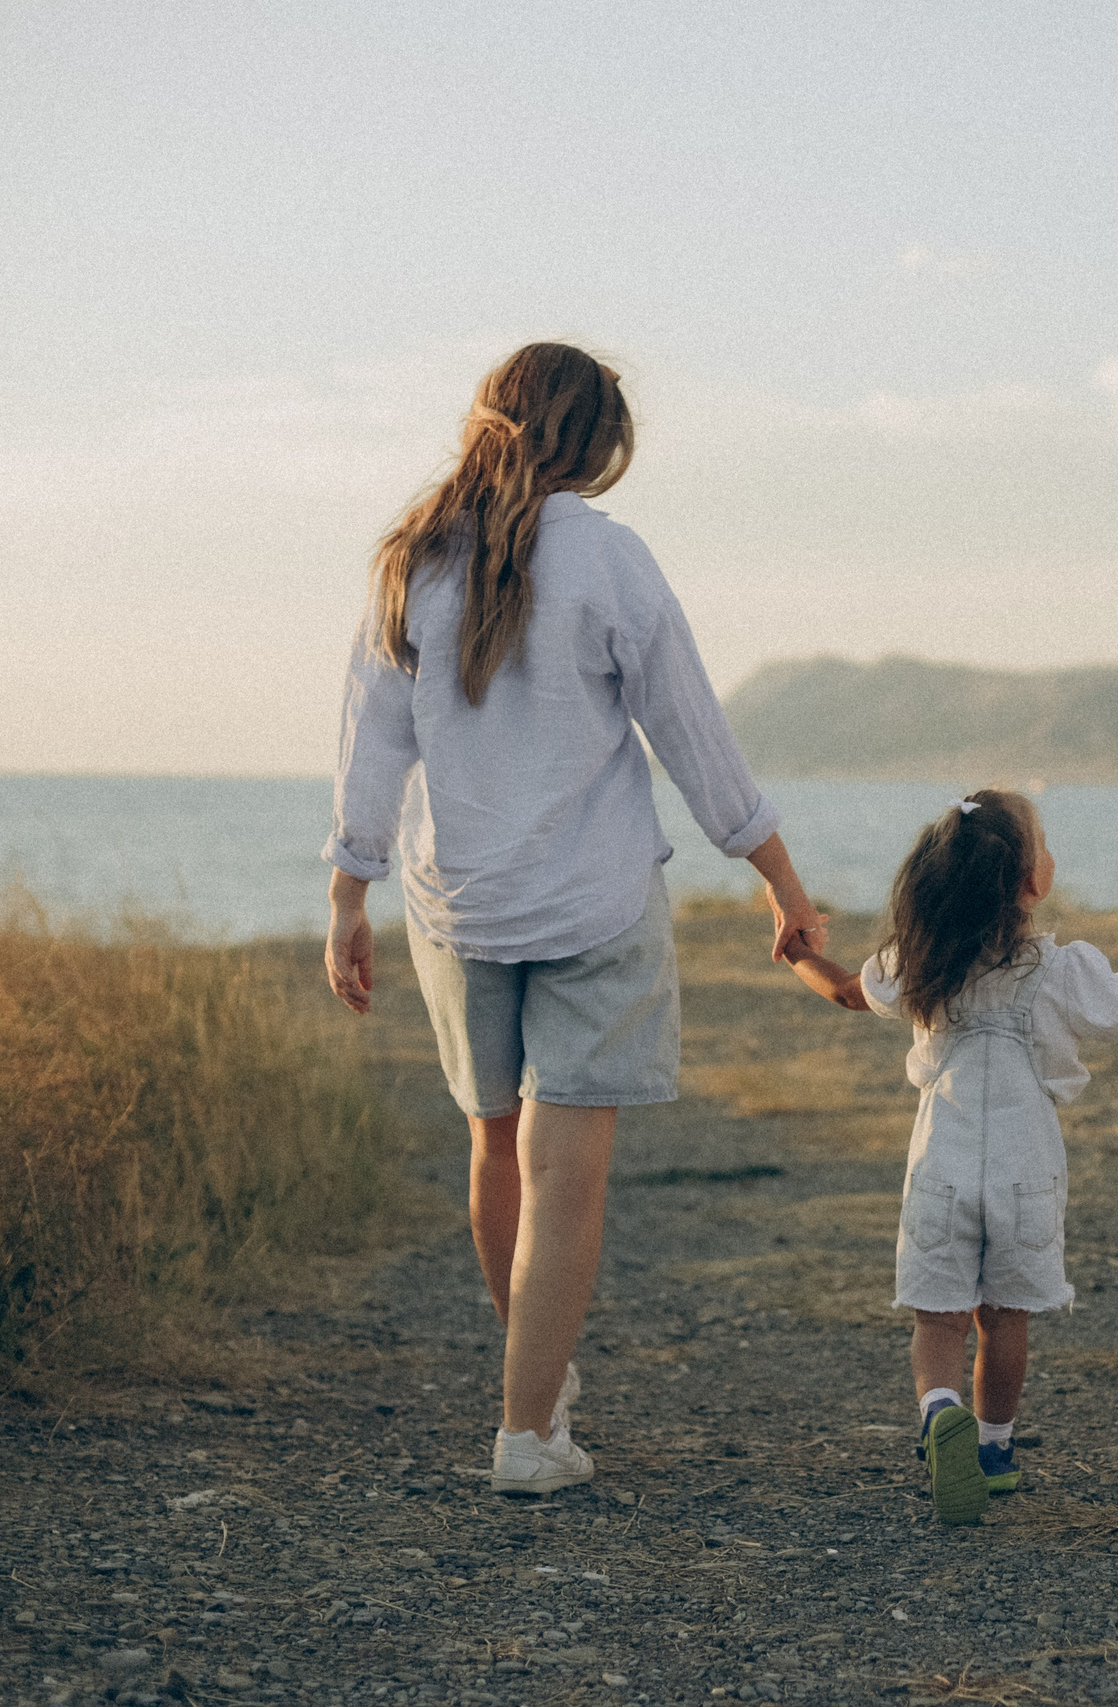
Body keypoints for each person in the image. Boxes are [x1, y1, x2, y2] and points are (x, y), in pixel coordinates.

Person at [322, 342, 825, 1496]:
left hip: (456, 908)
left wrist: (350, 891)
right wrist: (783, 887)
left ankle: (536, 1386)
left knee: (494, 1144)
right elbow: (695, 738)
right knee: (566, 1180)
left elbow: (369, 743)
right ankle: (526, 1430)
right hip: (594, 905)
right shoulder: (609, 560)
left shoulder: (409, 561)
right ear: (595, 446)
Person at [782, 790, 1118, 1523]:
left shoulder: (924, 958)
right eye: (1045, 843)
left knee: (938, 1322)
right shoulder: (1060, 971)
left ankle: (939, 1413)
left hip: (942, 1162)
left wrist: (800, 948)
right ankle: (993, 1449)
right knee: (1005, 1318)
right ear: (1031, 882)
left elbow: (843, 991)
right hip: (1026, 1170)